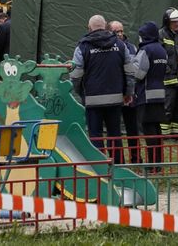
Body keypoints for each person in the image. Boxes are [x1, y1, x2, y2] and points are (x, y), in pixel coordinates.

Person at [70, 15, 134, 162]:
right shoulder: (120, 45)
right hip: (115, 99)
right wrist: (128, 92)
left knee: (95, 136)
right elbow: (130, 71)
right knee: (115, 135)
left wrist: (82, 93)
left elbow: (75, 75)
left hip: (92, 100)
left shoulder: (83, 47)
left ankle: (99, 168)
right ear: (105, 27)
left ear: (89, 27)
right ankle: (118, 167)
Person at [131, 21, 168, 170]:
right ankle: (158, 163)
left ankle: (152, 164)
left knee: (148, 129)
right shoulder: (161, 49)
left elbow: (138, 73)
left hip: (145, 95)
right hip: (160, 94)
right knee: (157, 129)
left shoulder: (146, 50)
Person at [110, 20, 143, 163]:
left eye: (121, 31)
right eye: (116, 31)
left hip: (130, 93)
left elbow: (135, 69)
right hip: (115, 93)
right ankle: (118, 160)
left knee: (133, 129)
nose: (120, 34)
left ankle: (136, 158)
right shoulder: (108, 48)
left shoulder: (131, 47)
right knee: (114, 129)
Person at [159, 8, 178, 137]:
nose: (177, 24)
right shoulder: (161, 35)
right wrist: (167, 70)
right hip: (167, 79)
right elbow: (160, 56)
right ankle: (164, 135)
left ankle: (176, 134)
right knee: (167, 107)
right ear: (167, 22)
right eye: (174, 22)